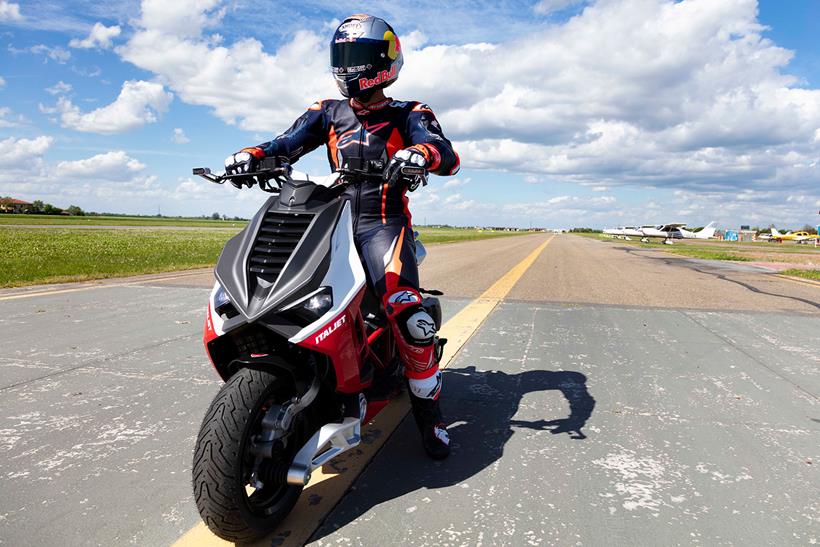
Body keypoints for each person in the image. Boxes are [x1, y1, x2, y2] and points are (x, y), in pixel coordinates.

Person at [224, 14, 460, 459]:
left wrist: (419, 153)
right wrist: (252, 155)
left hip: (382, 224)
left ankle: (430, 415)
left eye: (356, 56)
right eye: (341, 56)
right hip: (330, 219)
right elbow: (286, 143)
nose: (347, 66)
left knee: (405, 311)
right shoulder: (327, 112)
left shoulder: (409, 113)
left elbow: (445, 154)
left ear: (383, 61)